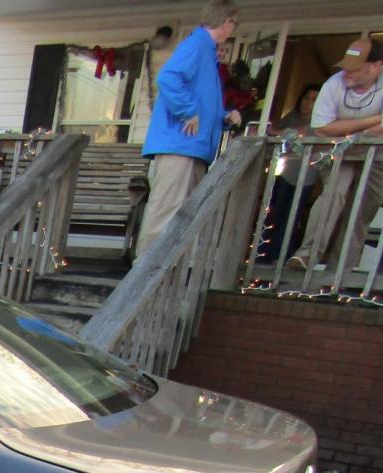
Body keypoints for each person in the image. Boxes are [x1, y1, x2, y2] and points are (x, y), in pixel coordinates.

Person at [136, 1, 244, 257]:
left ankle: (165, 267)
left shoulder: (207, 51)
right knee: (167, 209)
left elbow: (202, 100)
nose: (233, 29)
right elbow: (168, 78)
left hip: (193, 146)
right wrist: (187, 112)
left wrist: (224, 117)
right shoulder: (197, 45)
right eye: (234, 23)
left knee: (183, 213)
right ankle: (145, 271)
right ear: (226, 21)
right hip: (179, 143)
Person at [287, 39, 383, 274]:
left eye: (355, 67)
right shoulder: (334, 84)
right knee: (335, 193)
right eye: (345, 65)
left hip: (377, 157)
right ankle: (307, 255)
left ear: (376, 66)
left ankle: (339, 272)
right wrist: (372, 121)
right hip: (338, 151)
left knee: (361, 210)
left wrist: (346, 127)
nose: (347, 71)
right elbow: (322, 128)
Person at [258, 84, 322, 261]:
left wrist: (279, 132)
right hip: (285, 172)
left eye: (314, 100)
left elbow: (291, 134)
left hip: (306, 175)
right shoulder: (291, 116)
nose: (308, 103)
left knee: (292, 216)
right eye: (306, 98)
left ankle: (281, 255)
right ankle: (265, 253)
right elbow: (276, 131)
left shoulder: (319, 121)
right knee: (275, 213)